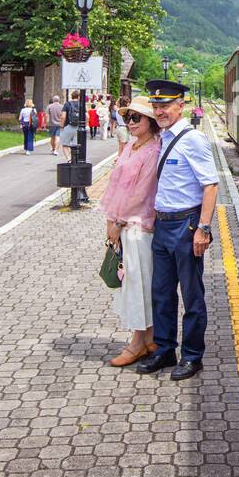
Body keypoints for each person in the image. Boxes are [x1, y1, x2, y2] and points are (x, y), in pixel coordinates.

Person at [133, 79, 219, 381]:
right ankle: (165, 350)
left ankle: (193, 356)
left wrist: (203, 228)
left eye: (165, 106)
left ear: (180, 106)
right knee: (162, 293)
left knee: (192, 295)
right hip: (163, 224)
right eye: (155, 106)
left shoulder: (192, 139)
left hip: (186, 225)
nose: (160, 111)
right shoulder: (162, 137)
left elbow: (210, 185)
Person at [99, 97, 163, 367]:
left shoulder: (153, 150)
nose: (131, 122)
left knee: (138, 284)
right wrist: (111, 218)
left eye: (138, 117)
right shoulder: (131, 147)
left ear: (151, 122)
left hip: (138, 226)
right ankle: (149, 338)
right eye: (129, 117)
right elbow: (115, 184)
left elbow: (141, 193)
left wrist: (118, 221)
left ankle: (137, 343)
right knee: (134, 282)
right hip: (123, 224)